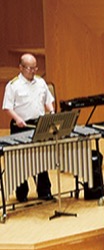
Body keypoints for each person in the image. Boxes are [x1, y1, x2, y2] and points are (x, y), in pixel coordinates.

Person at [2, 53, 55, 202]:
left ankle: (44, 191)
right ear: (21, 67)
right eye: (30, 68)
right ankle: (21, 193)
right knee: (20, 162)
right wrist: (17, 119)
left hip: (38, 124)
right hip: (21, 126)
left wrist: (51, 111)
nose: (33, 71)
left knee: (42, 159)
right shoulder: (13, 86)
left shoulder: (40, 82)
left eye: (35, 68)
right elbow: (7, 107)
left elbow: (48, 100)